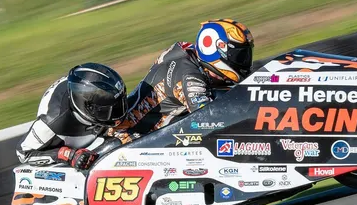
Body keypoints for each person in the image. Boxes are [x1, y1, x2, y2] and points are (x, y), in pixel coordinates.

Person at [108, 18, 254, 141]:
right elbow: (209, 119)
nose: (245, 62)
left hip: (158, 132)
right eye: (239, 56)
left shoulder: (193, 56)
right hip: (131, 138)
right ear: (213, 49)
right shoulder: (189, 76)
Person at [15, 63, 129, 169]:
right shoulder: (51, 122)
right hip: (69, 150)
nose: (117, 114)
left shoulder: (87, 98)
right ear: (87, 107)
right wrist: (69, 155)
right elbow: (23, 153)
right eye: (106, 110)